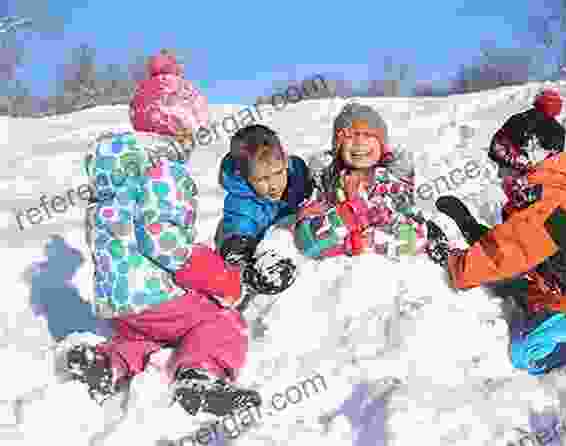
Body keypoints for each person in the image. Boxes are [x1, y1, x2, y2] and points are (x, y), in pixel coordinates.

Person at [64, 50, 262, 417]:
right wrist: (216, 275)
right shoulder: (165, 170)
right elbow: (162, 239)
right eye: (192, 131)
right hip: (155, 296)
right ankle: (200, 375)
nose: (193, 141)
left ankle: (110, 362)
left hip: (118, 301)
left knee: (143, 337)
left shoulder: (113, 174)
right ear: (178, 126)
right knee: (219, 319)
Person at [425, 88, 566, 375]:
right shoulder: (540, 200)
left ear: (527, 161)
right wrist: (471, 227)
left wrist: (450, 259)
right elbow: (512, 249)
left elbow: (503, 256)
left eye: (504, 167)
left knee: (528, 353)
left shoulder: (548, 207)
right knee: (518, 291)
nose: (499, 175)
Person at [294, 102, 433, 260]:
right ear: (338, 147)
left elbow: (417, 236)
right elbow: (309, 242)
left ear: (382, 145)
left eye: (367, 135)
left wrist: (364, 240)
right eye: (350, 136)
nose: (359, 142)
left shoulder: (390, 184)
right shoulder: (328, 184)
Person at [213, 124, 313, 308]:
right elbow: (237, 239)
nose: (274, 185)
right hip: (244, 241)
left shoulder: (295, 172)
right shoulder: (242, 206)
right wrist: (250, 270)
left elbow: (311, 181)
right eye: (262, 179)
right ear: (245, 177)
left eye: (278, 173)